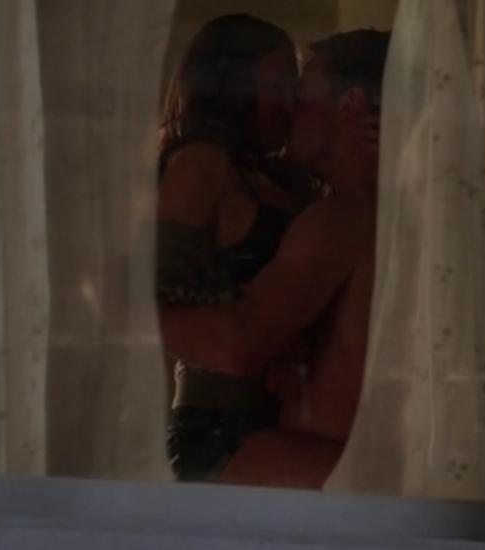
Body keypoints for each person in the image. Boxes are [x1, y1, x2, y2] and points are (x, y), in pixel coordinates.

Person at [160, 30, 390, 489]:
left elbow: (240, 344)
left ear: (349, 105)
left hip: (266, 459)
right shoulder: (392, 215)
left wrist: (114, 313)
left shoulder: (338, 220)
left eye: (300, 96)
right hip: (257, 451)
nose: (288, 112)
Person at [156, 14, 304, 482]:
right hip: (221, 426)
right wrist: (250, 343)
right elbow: (159, 300)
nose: (291, 103)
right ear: (229, 88)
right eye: (277, 86)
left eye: (296, 87)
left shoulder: (274, 174)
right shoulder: (200, 167)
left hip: (284, 419)